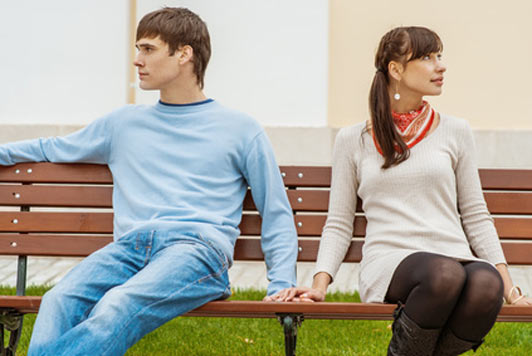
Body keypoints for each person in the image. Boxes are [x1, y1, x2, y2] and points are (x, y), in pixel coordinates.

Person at [0, 7, 297, 356]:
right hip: (130, 248)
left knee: (117, 304)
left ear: (184, 54)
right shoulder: (122, 124)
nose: (137, 60)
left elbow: (275, 210)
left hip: (197, 251)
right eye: (138, 49)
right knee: (58, 300)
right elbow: (51, 148)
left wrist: (282, 282)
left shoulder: (241, 129)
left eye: (148, 49)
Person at [272, 26, 531, 355]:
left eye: (440, 56)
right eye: (427, 57)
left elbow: (477, 215)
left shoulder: (456, 131)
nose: (441, 66)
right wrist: (319, 285)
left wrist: (510, 290)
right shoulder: (354, 140)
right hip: (392, 261)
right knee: (444, 275)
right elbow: (339, 221)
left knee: (485, 284)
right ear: (395, 69)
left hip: (453, 255)